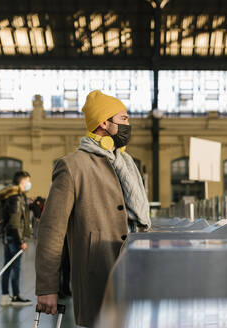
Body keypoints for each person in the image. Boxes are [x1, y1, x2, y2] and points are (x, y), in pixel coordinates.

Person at [35, 90, 151, 327]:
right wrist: (47, 287)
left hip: (136, 268)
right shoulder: (72, 166)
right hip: (98, 270)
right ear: (104, 123)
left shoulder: (125, 163)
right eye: (124, 119)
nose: (129, 124)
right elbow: (51, 230)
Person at [0, 171, 33, 307]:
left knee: (7, 266)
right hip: (14, 237)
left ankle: (5, 296)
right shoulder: (16, 198)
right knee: (15, 268)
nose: (29, 184)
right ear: (22, 181)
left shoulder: (10, 196)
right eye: (28, 181)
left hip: (8, 236)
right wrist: (21, 241)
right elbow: (15, 222)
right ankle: (16, 296)